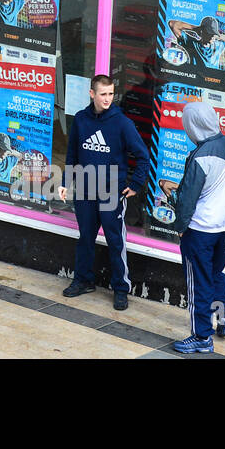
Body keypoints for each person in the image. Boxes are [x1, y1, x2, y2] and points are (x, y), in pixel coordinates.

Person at [59, 74, 148, 311]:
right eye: (103, 94)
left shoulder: (122, 123)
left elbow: (143, 156)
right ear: (92, 94)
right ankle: (83, 280)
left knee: (115, 241)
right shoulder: (80, 120)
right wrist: (66, 182)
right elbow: (72, 155)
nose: (107, 99)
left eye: (110, 94)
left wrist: (136, 184)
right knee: (85, 238)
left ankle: (121, 289)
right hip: (85, 191)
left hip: (111, 193)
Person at [163, 100, 225, 354]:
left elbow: (187, 199)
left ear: (193, 125)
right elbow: (219, 187)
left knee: (198, 283)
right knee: (215, 275)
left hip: (199, 230)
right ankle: (222, 320)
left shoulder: (200, 156)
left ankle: (201, 336)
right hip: (223, 227)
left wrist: (179, 225)